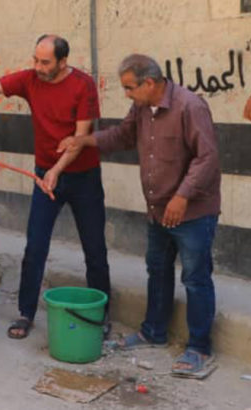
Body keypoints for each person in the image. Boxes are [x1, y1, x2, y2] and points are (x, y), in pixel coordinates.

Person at [61, 53, 220, 378]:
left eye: (129, 88)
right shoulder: (141, 107)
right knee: (157, 270)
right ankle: (153, 332)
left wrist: (182, 196)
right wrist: (84, 140)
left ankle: (200, 348)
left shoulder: (191, 107)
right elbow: (121, 135)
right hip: (157, 209)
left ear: (149, 83)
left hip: (192, 212)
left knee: (195, 278)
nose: (127, 95)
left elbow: (207, 158)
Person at [0, 35, 110, 340]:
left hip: (82, 177)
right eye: (36, 60)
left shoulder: (83, 85)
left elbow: (80, 138)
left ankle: (101, 315)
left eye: (45, 62)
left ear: (62, 62)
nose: (38, 67)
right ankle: (25, 312)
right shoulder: (30, 80)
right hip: (46, 175)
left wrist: (56, 170)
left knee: (94, 249)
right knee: (35, 246)